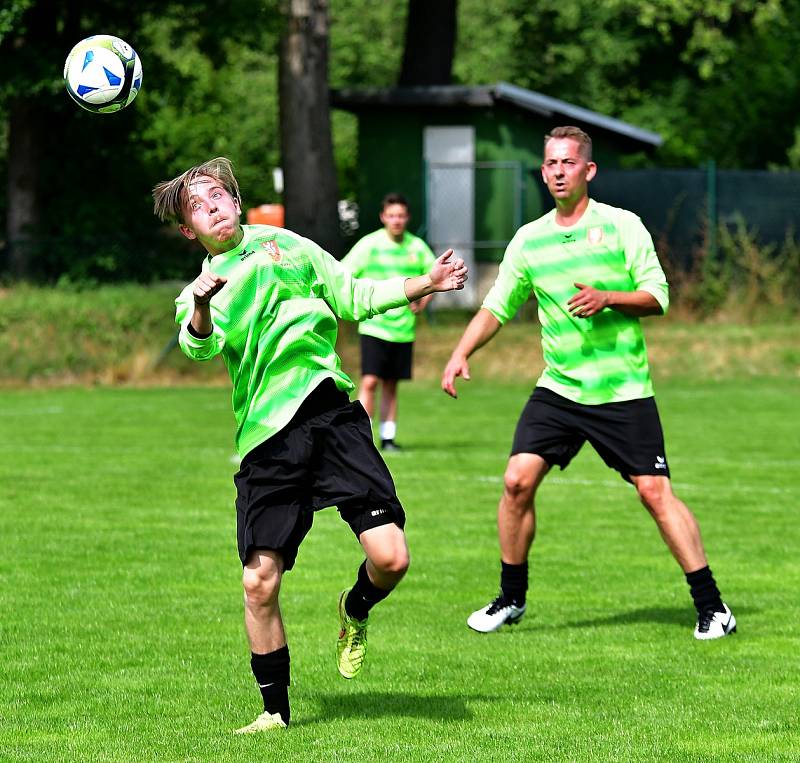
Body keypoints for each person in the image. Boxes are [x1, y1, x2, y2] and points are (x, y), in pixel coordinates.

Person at [152, 158, 467, 734]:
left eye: (218, 195)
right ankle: (274, 710)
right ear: (188, 231)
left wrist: (427, 282)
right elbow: (198, 345)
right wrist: (199, 305)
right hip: (268, 438)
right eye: (198, 207)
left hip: (332, 418)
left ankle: (355, 608)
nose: (213, 208)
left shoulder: (288, 246)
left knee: (392, 559)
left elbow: (350, 294)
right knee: (258, 581)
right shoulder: (200, 290)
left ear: (237, 201)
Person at [441, 126, 736, 641]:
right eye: (550, 164)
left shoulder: (623, 226)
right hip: (559, 389)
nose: (557, 172)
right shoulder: (530, 239)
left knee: (654, 492)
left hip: (622, 390)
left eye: (568, 163)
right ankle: (511, 598)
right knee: (515, 482)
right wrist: (461, 352)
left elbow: (657, 295)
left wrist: (608, 297)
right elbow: (497, 306)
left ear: (588, 170)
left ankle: (713, 606)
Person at [342, 193, 436, 451]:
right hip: (374, 326)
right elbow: (343, 274)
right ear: (383, 217)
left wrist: (423, 301)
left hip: (403, 330)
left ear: (407, 218)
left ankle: (388, 438)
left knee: (391, 385)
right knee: (370, 381)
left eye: (401, 216)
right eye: (392, 215)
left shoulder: (416, 247)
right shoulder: (369, 245)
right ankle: (362, 437)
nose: (396, 220)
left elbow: (434, 279)